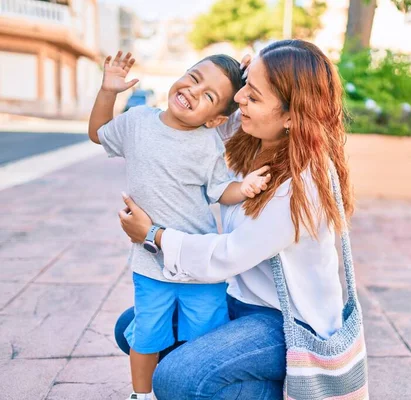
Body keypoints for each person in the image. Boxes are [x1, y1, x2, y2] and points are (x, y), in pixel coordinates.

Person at [116, 39, 355, 399]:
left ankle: (271, 390)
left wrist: (154, 235)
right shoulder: (255, 141)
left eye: (253, 96)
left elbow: (229, 253)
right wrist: (234, 80)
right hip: (238, 298)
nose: (241, 99)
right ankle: (241, 382)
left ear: (292, 116)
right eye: (245, 88)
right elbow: (210, 119)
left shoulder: (303, 182)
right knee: (130, 329)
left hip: (282, 320)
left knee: (175, 378)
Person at [88, 51, 271, 400]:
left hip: (199, 269)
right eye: (194, 77)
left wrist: (244, 188)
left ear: (217, 120)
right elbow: (98, 133)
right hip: (149, 262)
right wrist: (109, 91)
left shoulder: (209, 144)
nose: (193, 91)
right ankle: (141, 396)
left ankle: (192, 385)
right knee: (146, 334)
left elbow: (221, 191)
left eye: (209, 96)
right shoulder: (138, 120)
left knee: (204, 336)